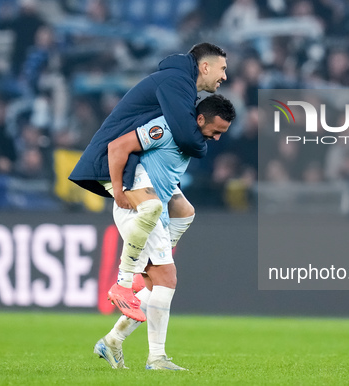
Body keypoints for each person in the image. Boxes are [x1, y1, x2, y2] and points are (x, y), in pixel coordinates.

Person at [69, 43, 228, 321]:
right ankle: (124, 283)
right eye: (222, 68)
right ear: (205, 66)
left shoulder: (179, 84)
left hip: (128, 161)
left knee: (185, 211)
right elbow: (188, 137)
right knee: (153, 210)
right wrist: (118, 188)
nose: (224, 76)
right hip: (115, 160)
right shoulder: (178, 82)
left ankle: (144, 270)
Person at [94, 94, 236, 371]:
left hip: (157, 210)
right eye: (215, 131)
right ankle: (156, 357)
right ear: (199, 119)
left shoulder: (191, 141)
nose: (217, 138)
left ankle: (112, 340)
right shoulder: (166, 129)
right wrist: (118, 190)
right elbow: (119, 146)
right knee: (166, 279)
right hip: (139, 208)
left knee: (158, 280)